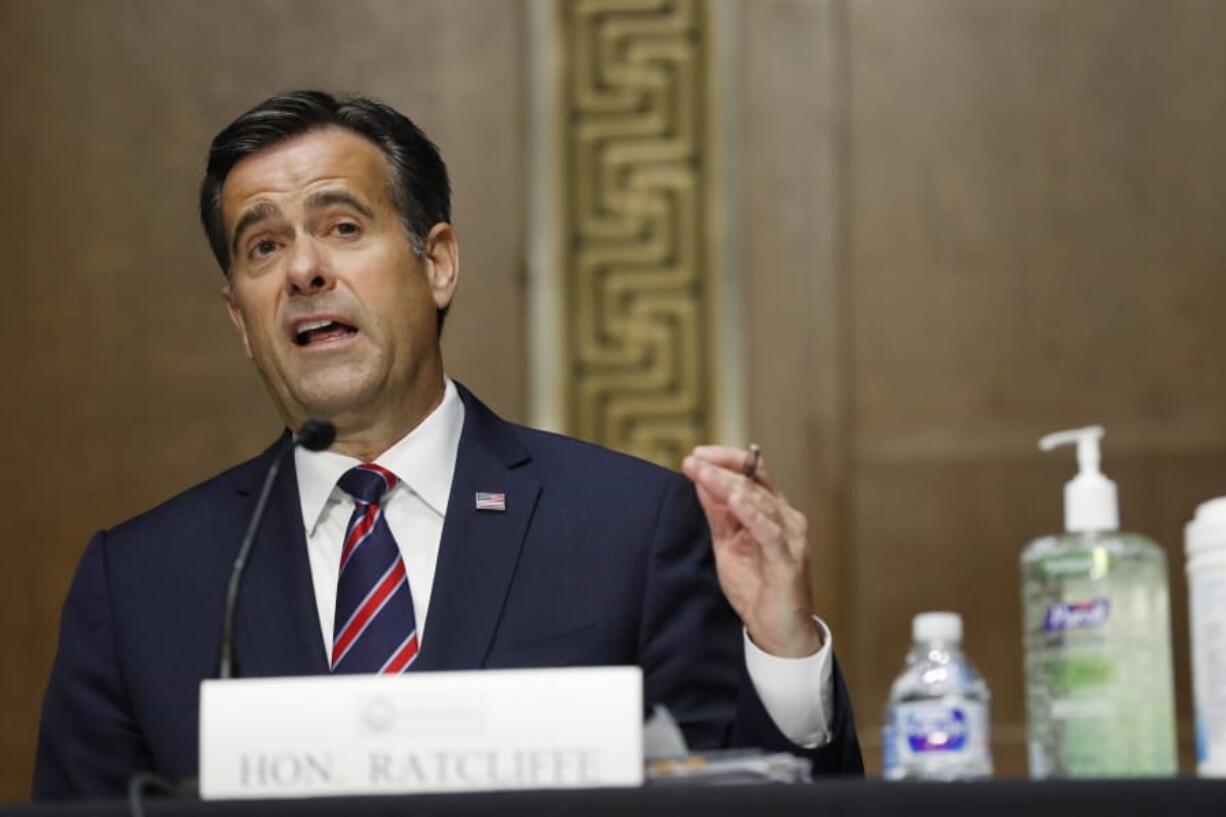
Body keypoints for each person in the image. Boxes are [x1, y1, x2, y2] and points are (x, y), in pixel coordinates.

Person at [33, 91, 862, 799]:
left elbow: (746, 800)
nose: (304, 270)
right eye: (264, 246)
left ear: (437, 264)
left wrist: (784, 653)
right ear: (240, 319)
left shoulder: (629, 528)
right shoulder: (140, 583)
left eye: (344, 226)